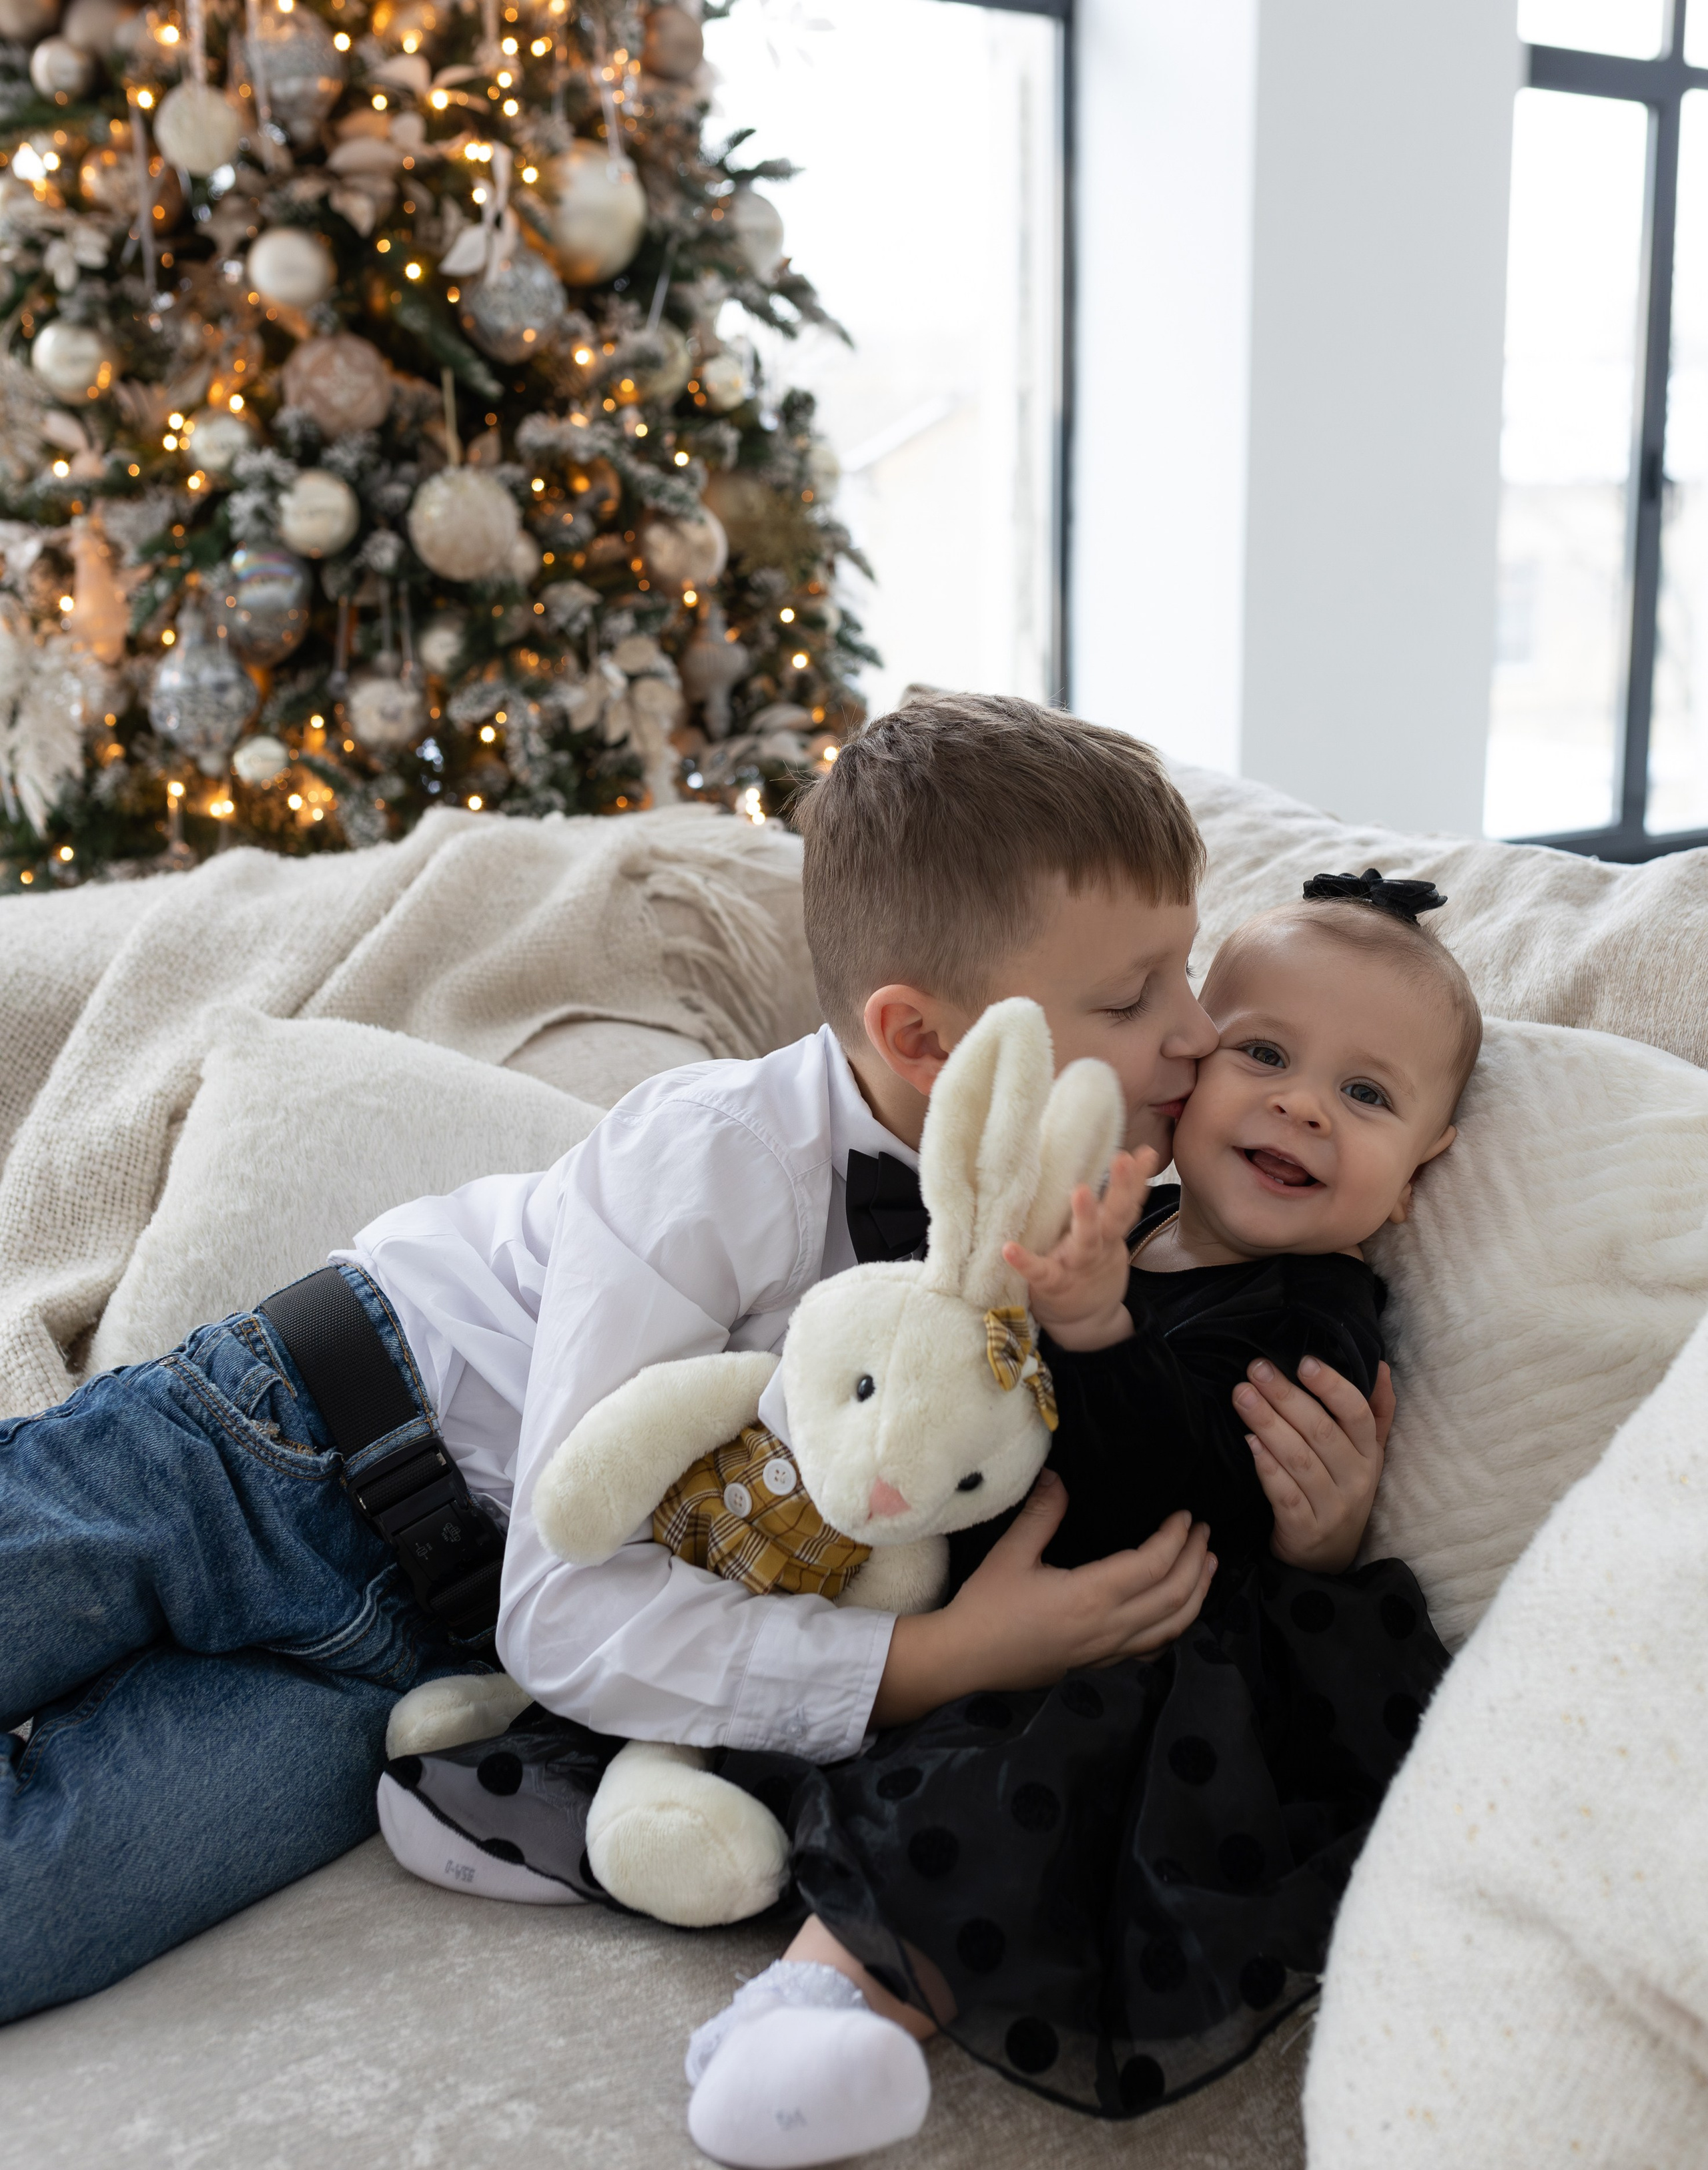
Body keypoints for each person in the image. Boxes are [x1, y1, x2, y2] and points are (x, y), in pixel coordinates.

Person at [0, 696, 1389, 2024]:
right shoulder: (716, 1156)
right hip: (277, 1444)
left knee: (38, 1908)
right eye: (1135, 997)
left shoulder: (1100, 1225)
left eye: (1185, 972)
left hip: (417, 1651)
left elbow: (1135, 1470)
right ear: (920, 1037)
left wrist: (1310, 1539)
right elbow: (568, 1592)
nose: (1196, 1033)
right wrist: (923, 1660)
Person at [679, 869, 1477, 2169]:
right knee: (766, 1644)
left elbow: (1190, 1488)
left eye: (1366, 1094)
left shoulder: (1315, 1314)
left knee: (998, 1792)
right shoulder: (1127, 1218)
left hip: (1136, 1645)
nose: (1300, 1105)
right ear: (1183, 1078)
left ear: (1413, 1177)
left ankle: (812, 2010)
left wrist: (1097, 1327)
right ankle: (588, 1801)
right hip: (971, 1592)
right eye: (1263, 1055)